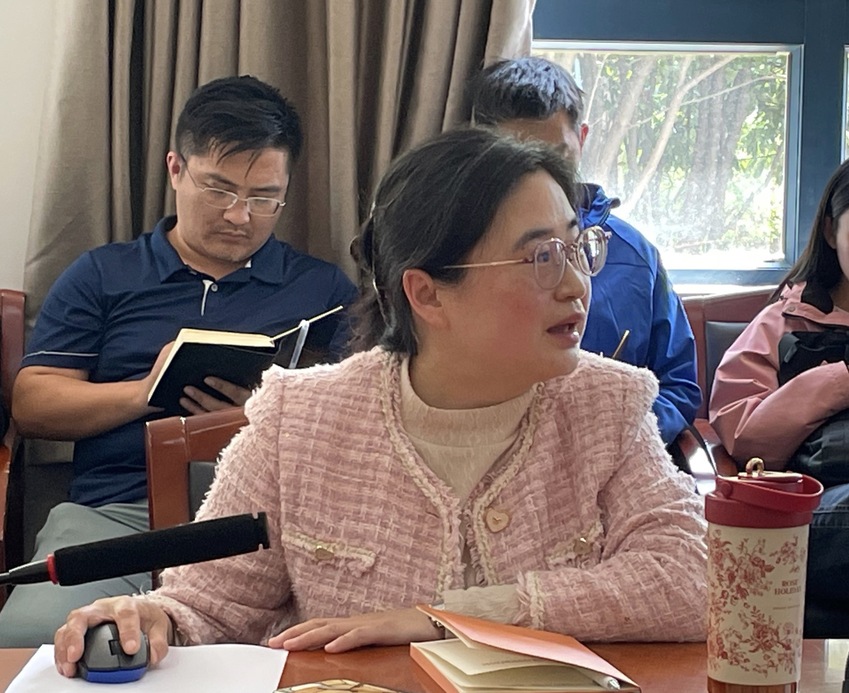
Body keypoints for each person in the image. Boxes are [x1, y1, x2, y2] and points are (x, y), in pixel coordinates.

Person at [54, 128, 706, 675]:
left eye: (577, 247)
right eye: (540, 257)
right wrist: (149, 617)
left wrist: (451, 616)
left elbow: (694, 579)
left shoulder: (607, 404)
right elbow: (210, 605)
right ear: (426, 293)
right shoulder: (300, 419)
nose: (575, 285)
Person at [0, 75, 358, 647]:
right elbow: (34, 403)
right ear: (175, 169)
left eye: (264, 198)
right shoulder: (104, 274)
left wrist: (266, 412)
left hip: (263, 526)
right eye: (219, 190)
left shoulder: (322, 290)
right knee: (31, 638)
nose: (240, 216)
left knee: (316, 649)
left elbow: (363, 426)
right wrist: (147, 390)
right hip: (119, 512)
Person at [468, 57, 700, 446]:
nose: (538, 175)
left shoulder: (633, 256)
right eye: (516, 157)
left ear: (583, 139)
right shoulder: (456, 254)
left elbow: (677, 386)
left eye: (555, 155)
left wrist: (609, 435)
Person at [709, 158, 849, 634]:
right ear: (830, 231)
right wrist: (839, 381)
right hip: (819, 501)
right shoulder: (784, 321)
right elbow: (746, 439)